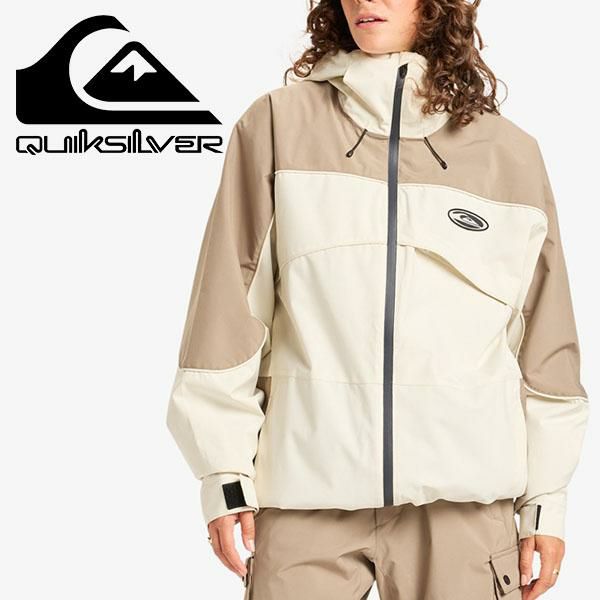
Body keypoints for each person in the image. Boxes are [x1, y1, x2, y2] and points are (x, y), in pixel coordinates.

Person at [166, 1, 589, 598]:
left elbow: (545, 343)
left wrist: (546, 500)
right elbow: (227, 311)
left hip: (462, 505)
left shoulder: (509, 153)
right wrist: (223, 471)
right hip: (303, 496)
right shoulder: (278, 126)